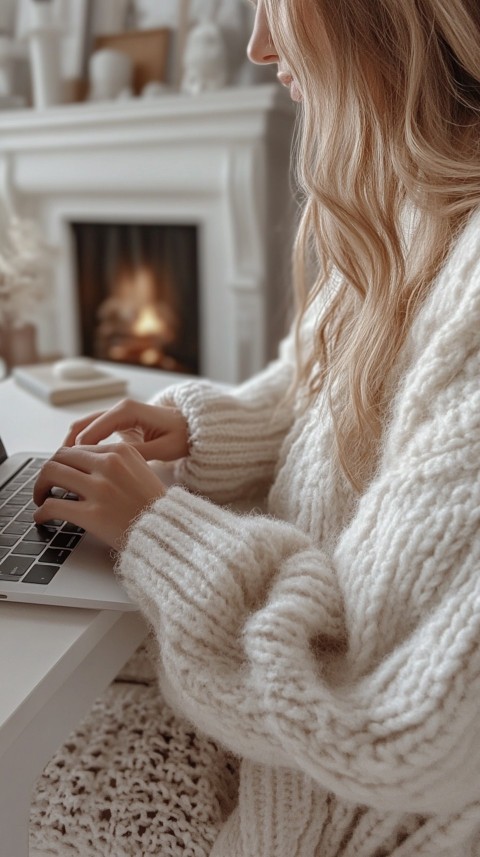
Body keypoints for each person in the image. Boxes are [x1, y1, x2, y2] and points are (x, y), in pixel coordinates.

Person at [31, 0, 480, 855]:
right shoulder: (424, 197)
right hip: (264, 745)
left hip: (314, 817)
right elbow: (327, 392)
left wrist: (158, 530)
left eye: (277, 6)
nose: (257, 45)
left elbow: (381, 715)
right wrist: (199, 430)